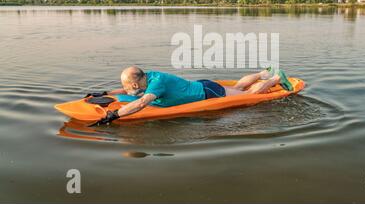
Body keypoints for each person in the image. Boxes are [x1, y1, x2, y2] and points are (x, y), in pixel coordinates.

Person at [90, 66, 292, 125]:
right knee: (238, 87)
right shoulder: (146, 76)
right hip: (202, 86)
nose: (124, 89)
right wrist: (107, 93)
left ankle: (274, 78)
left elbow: (141, 101)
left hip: (206, 92)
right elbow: (132, 91)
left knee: (245, 94)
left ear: (135, 81)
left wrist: (115, 116)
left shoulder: (156, 85)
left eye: (125, 86)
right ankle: (262, 73)